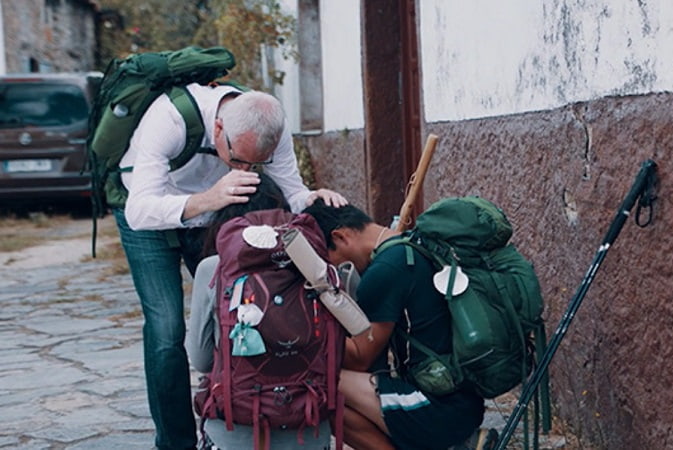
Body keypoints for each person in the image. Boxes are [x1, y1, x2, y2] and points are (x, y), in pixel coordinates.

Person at [114, 85, 346, 450]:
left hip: (217, 214)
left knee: (237, 307)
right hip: (152, 218)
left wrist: (314, 199)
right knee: (166, 330)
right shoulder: (170, 119)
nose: (245, 170)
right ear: (218, 129)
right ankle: (176, 443)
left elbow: (291, 192)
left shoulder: (271, 123)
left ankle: (239, 405)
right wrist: (209, 198)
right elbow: (139, 210)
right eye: (238, 160)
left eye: (256, 164)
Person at [301, 200, 495, 450]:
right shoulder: (409, 243)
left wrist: (307, 333)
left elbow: (361, 358)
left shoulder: (384, 271)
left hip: (438, 412)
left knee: (319, 383)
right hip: (462, 404)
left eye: (329, 260)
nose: (333, 270)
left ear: (339, 237)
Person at [187, 173, 331, 449]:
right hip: (308, 427)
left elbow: (201, 359)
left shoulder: (213, 267)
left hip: (234, 432)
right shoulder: (315, 264)